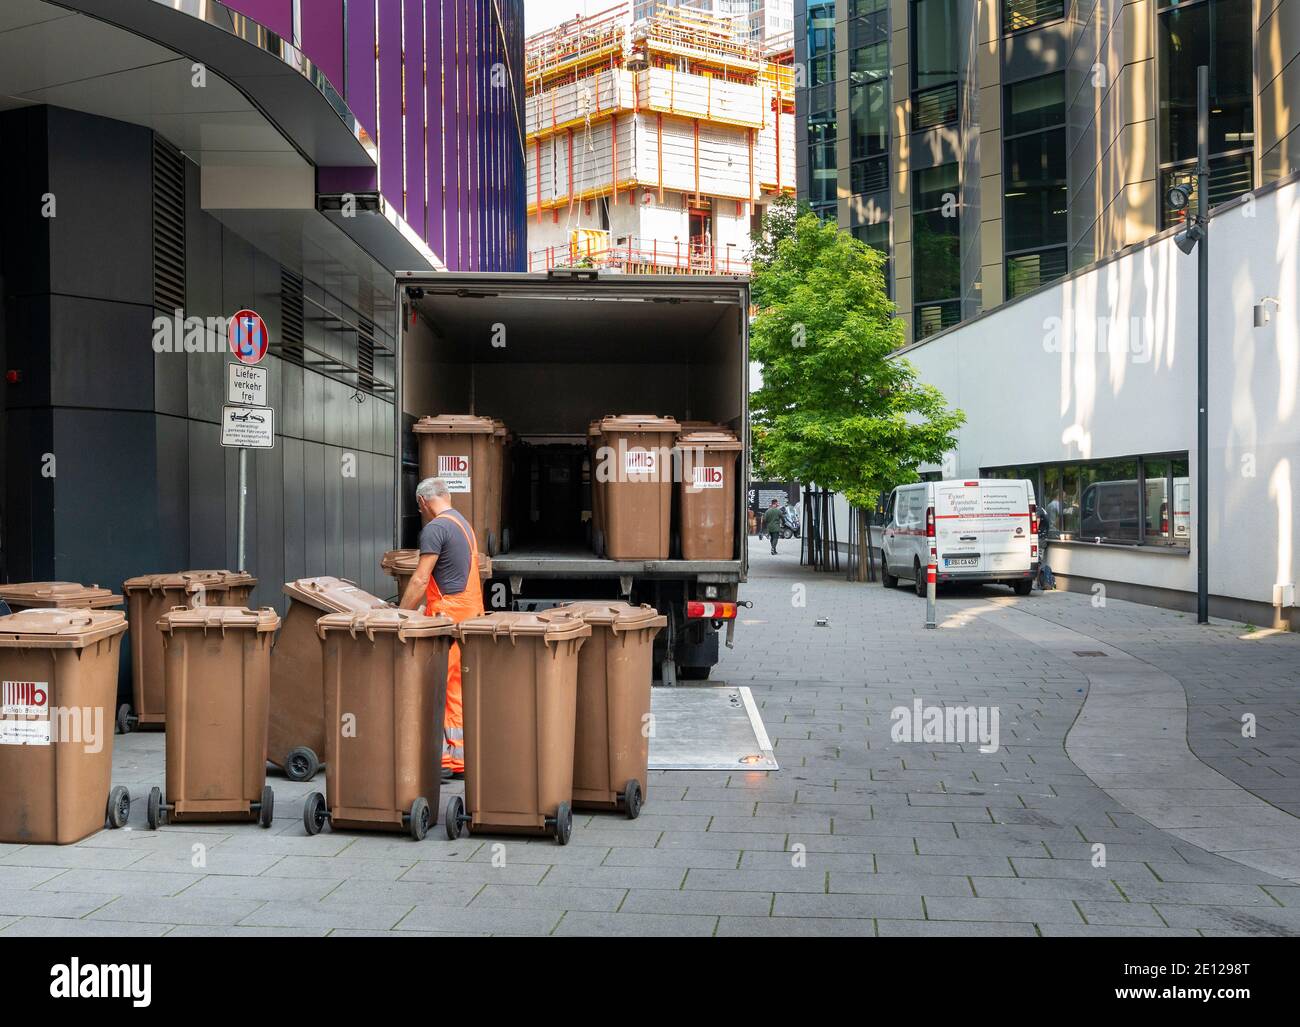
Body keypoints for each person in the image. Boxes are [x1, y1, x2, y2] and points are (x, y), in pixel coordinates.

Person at [400, 478, 484, 781]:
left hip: (450, 616)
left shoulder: (435, 529)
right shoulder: (462, 524)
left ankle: (454, 757)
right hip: (469, 613)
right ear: (446, 496)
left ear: (422, 503)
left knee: (447, 688)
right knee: (458, 686)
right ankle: (459, 754)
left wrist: (401, 615)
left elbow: (421, 579)